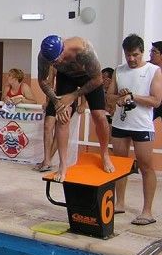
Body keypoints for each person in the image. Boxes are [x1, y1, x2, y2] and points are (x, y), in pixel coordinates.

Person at [37, 35, 113, 182]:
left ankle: (104, 154)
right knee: (63, 117)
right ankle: (63, 165)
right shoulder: (44, 56)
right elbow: (42, 81)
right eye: (52, 62)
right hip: (66, 77)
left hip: (90, 78)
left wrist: (73, 96)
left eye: (56, 60)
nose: (54, 64)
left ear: (63, 50)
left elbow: (98, 79)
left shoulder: (83, 50)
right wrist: (56, 101)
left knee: (99, 116)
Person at [107, 34, 162, 226]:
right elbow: (109, 97)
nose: (131, 59)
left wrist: (133, 96)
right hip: (120, 124)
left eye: (135, 55)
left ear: (142, 52)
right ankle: (119, 203)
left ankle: (147, 211)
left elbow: (156, 100)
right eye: (128, 55)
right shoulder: (119, 70)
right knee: (120, 165)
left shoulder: (153, 70)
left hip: (142, 125)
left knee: (146, 167)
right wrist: (119, 98)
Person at [150, 41, 162, 121]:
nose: (150, 54)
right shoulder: (147, 68)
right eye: (151, 51)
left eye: (154, 52)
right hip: (148, 106)